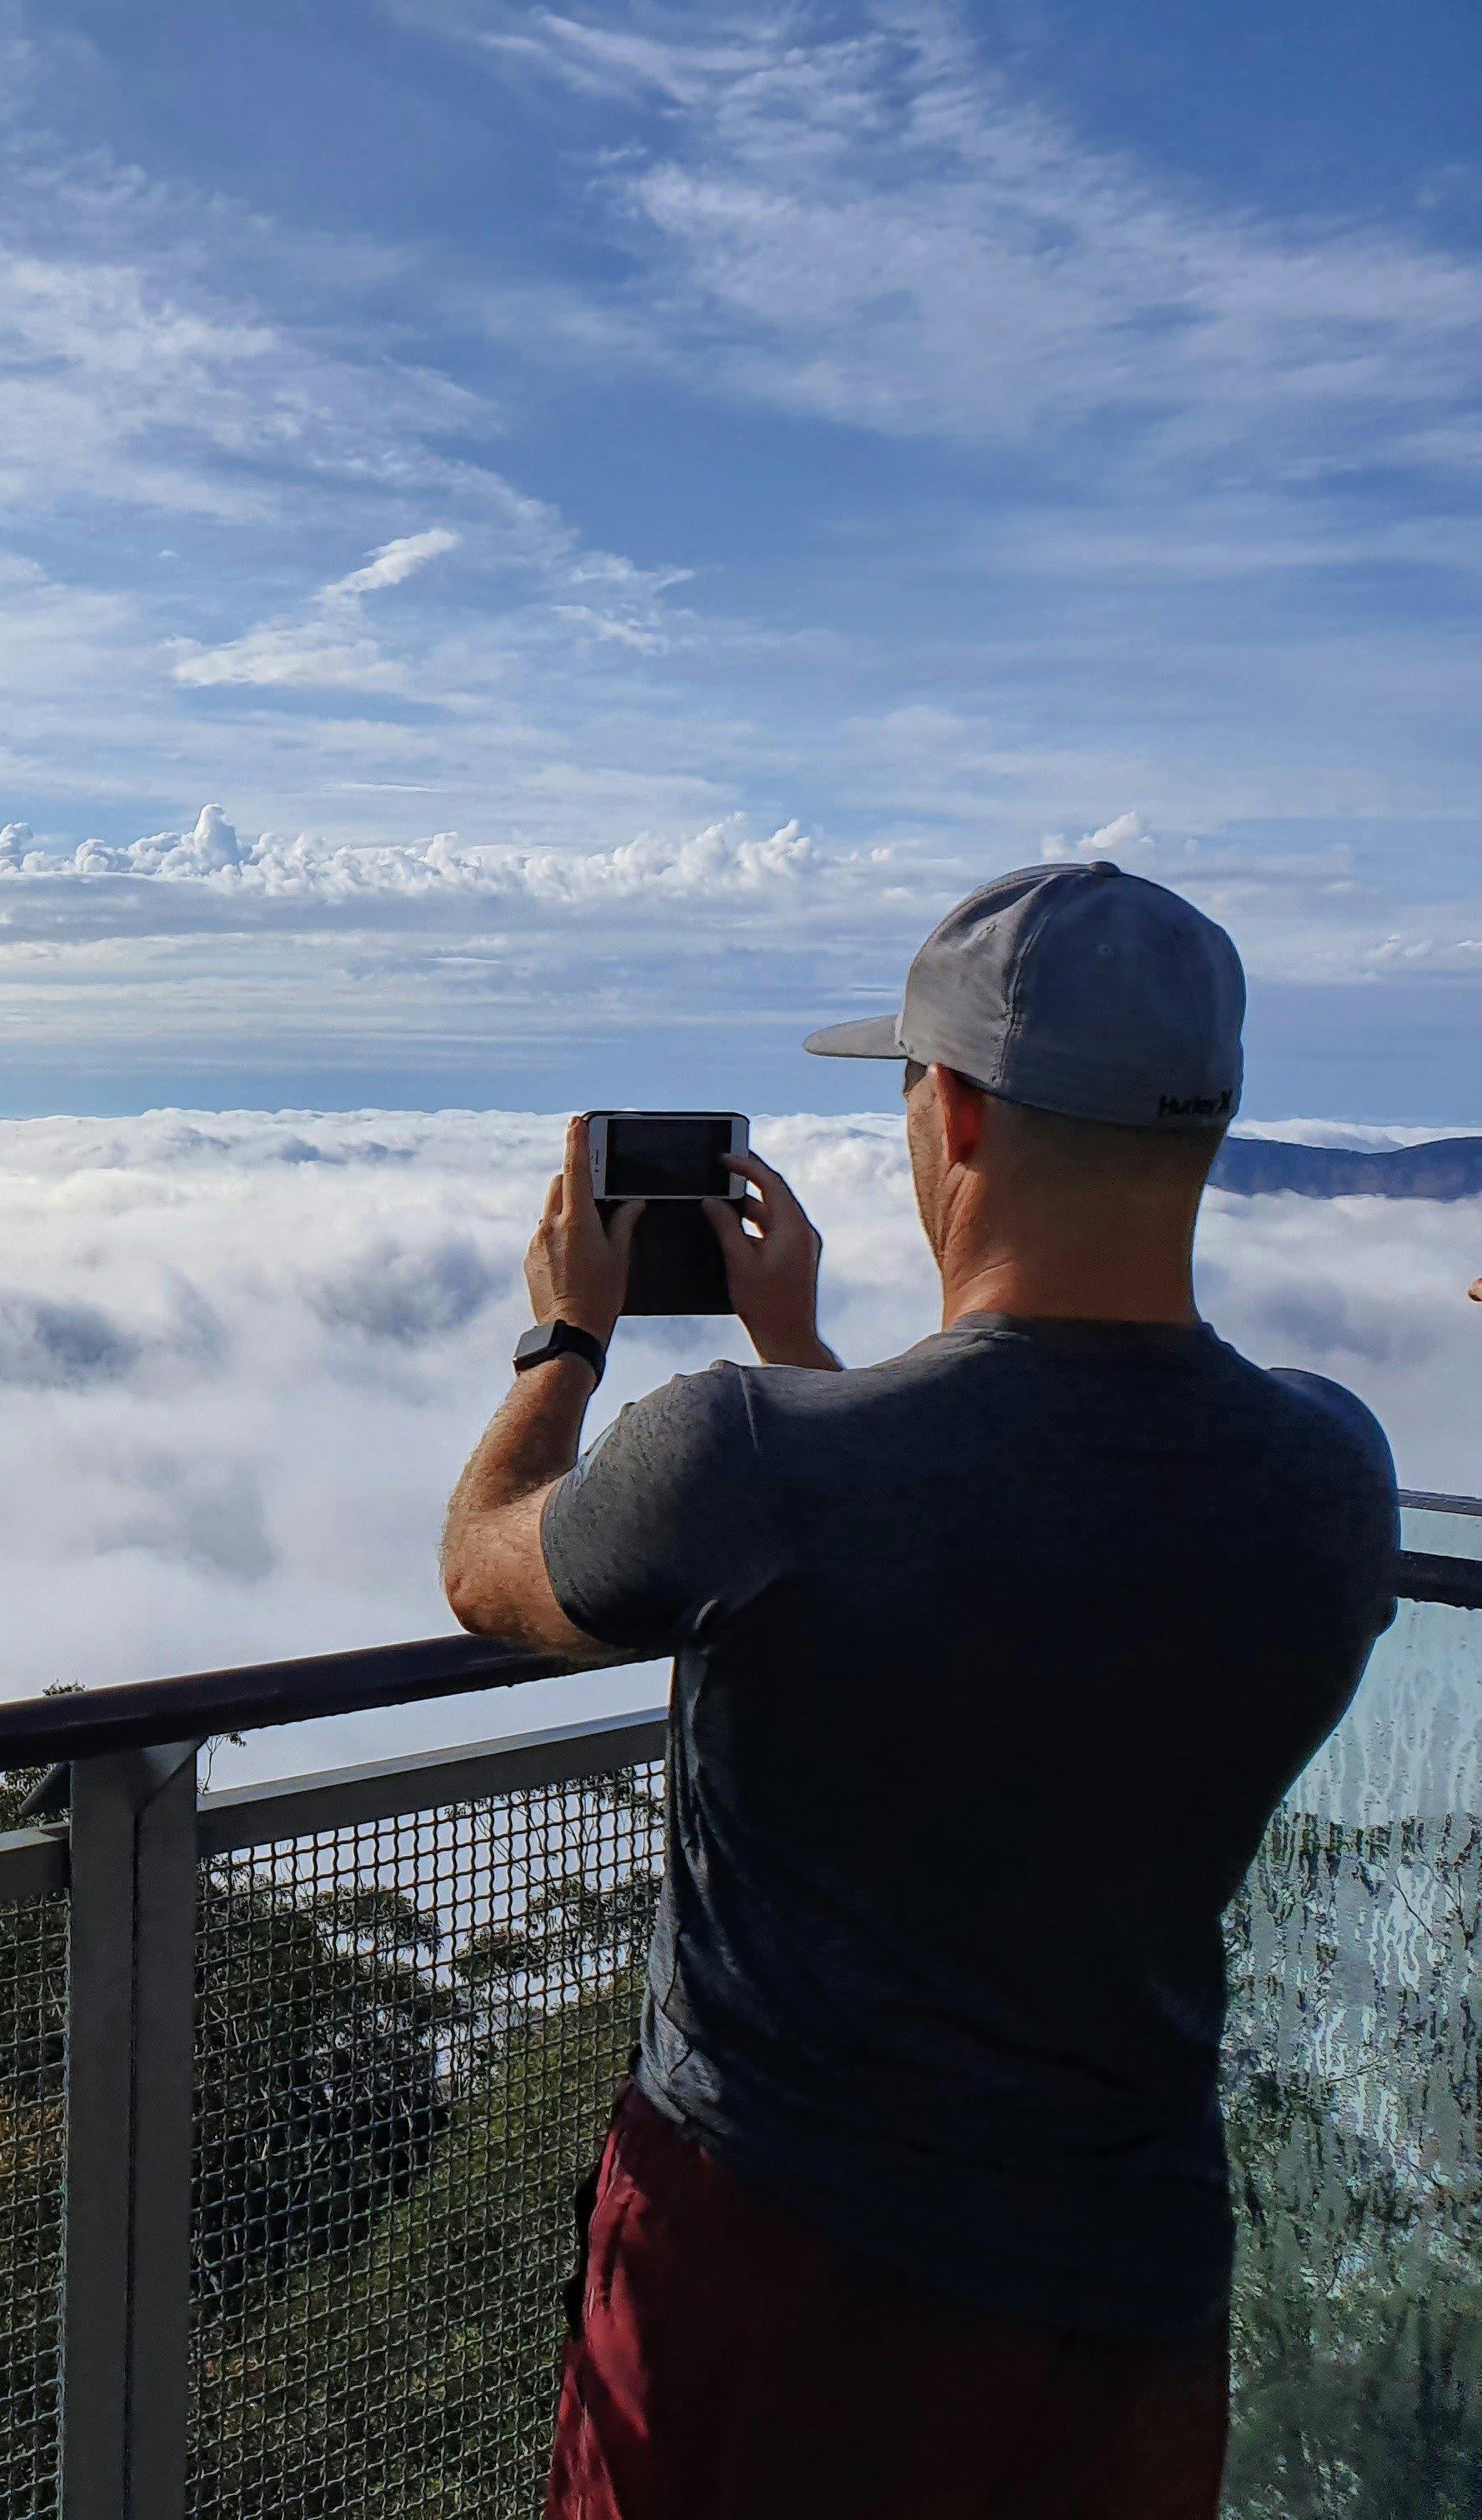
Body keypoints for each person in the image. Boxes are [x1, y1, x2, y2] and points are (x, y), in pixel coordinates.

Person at [437, 862, 1400, 2520]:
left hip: (770, 2279)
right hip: (1134, 2297)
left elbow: (485, 1566)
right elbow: (1032, 1575)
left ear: (950, 1114)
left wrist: (566, 1341)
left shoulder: (742, 1458)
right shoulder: (1331, 1477)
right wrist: (809, 1353)